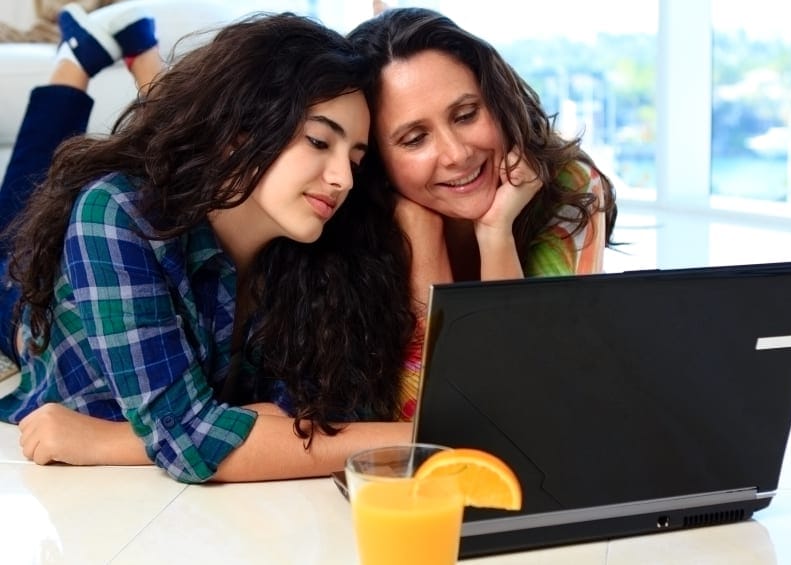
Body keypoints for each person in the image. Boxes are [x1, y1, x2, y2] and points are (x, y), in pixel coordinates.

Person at [0, 4, 413, 483]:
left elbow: (328, 413)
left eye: (356, 160)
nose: (342, 179)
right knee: (22, 209)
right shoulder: (117, 212)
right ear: (239, 132)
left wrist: (112, 440)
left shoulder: (319, 254)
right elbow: (194, 437)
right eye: (319, 142)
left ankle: (137, 48)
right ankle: (75, 57)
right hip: (23, 302)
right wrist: (418, 437)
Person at [348, 7, 618, 418]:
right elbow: (431, 424)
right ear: (375, 159)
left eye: (466, 115)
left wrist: (495, 233)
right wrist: (423, 240)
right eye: (415, 139)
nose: (457, 154)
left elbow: (515, 405)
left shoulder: (567, 187)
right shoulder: (350, 221)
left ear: (497, 101)